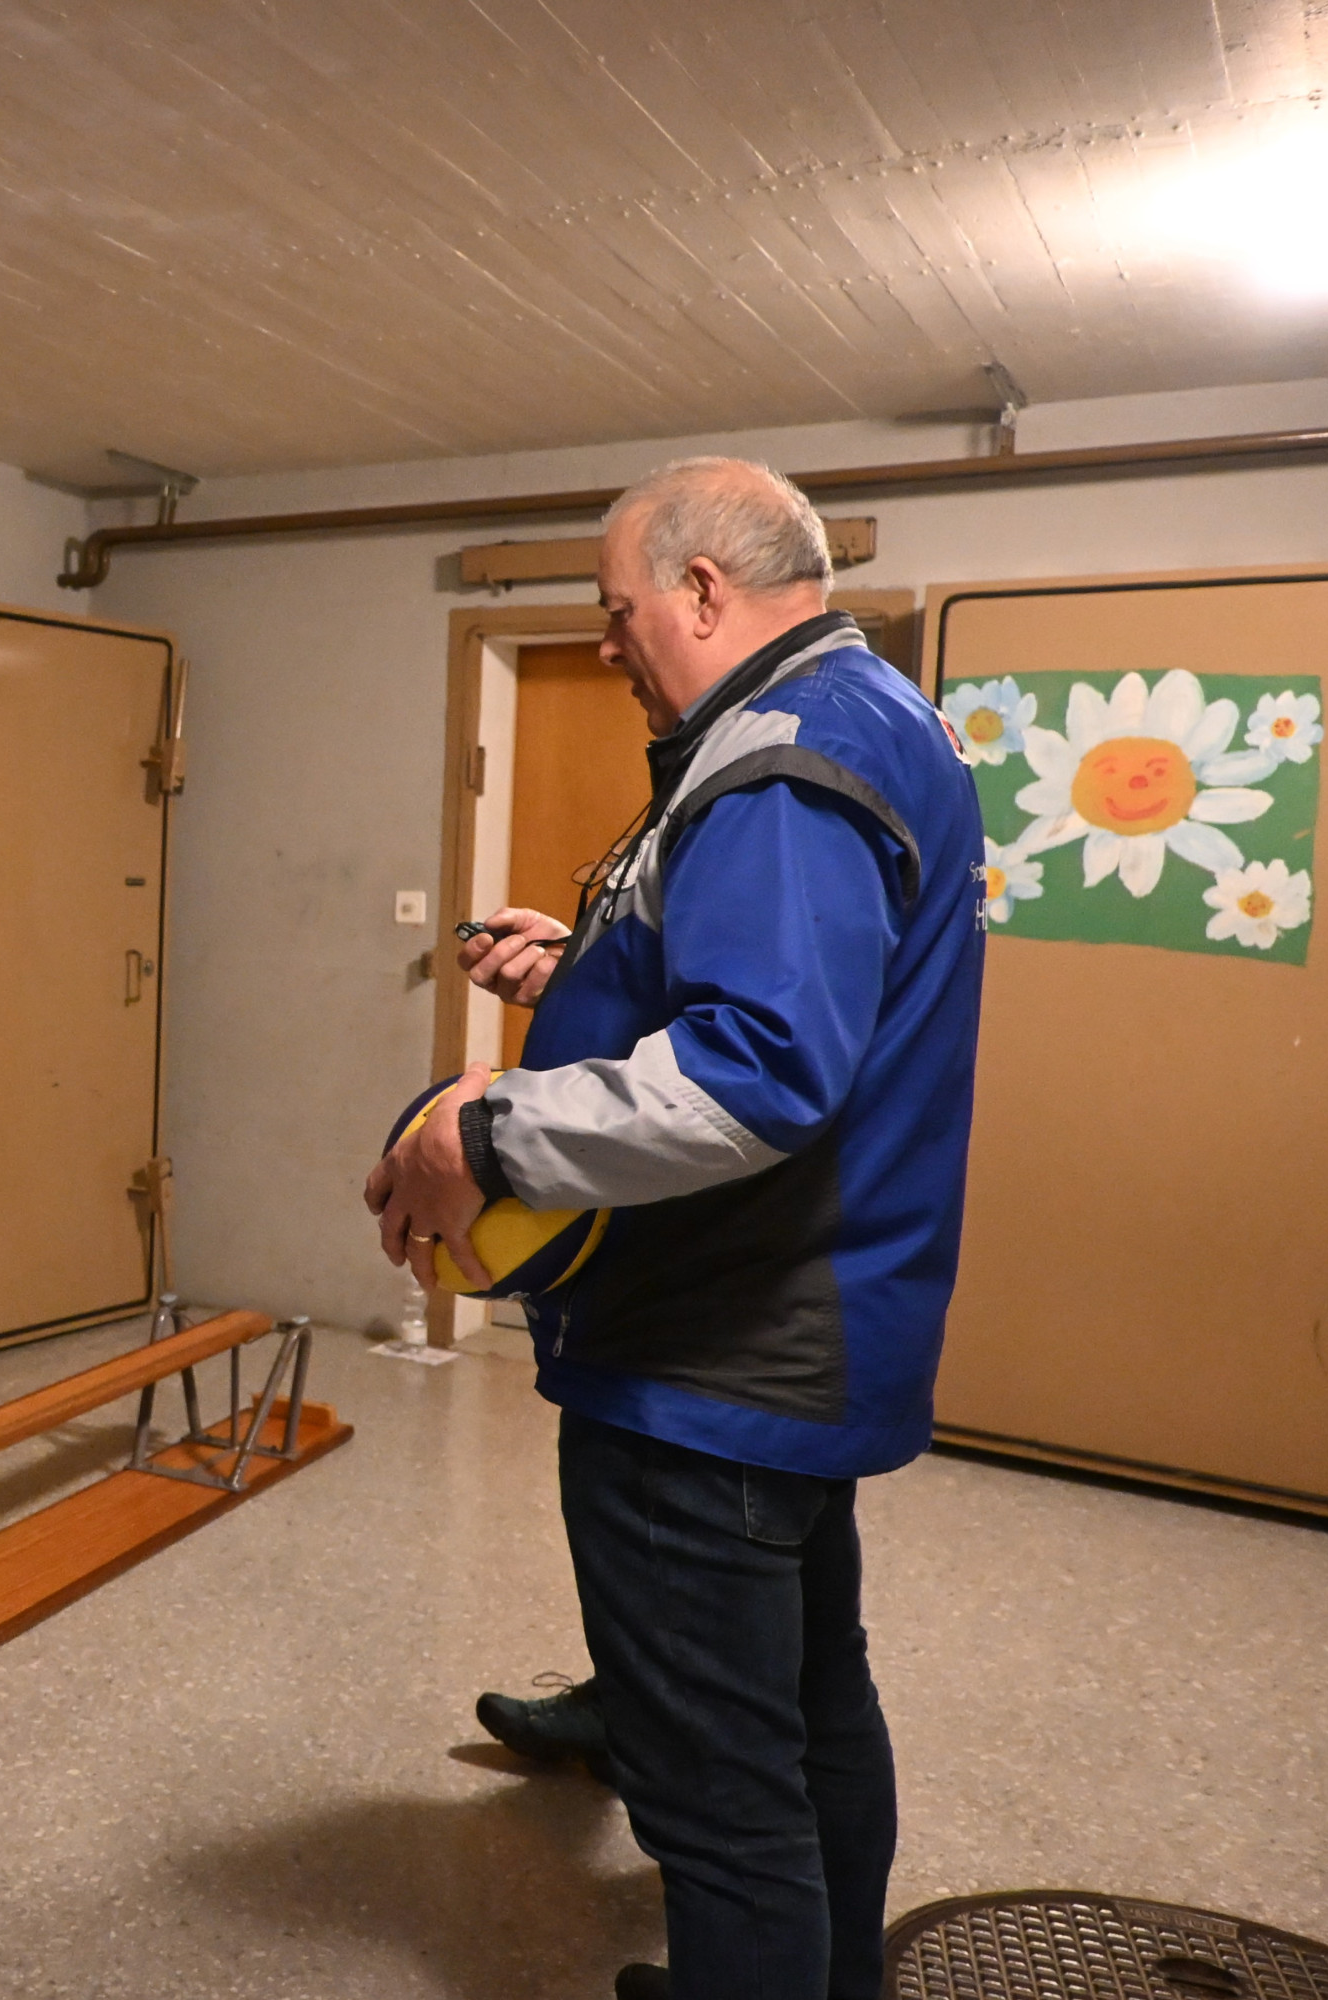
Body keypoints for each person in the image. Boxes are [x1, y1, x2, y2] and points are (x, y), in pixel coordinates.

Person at [369, 458, 984, 2000]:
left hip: (712, 1362)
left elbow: (760, 1072)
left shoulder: (778, 757)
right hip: (802, 1344)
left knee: (722, 1801)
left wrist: (478, 1136)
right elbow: (790, 982)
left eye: (617, 607)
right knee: (809, 1716)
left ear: (704, 590)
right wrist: (589, 963)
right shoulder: (870, 715)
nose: (607, 643)